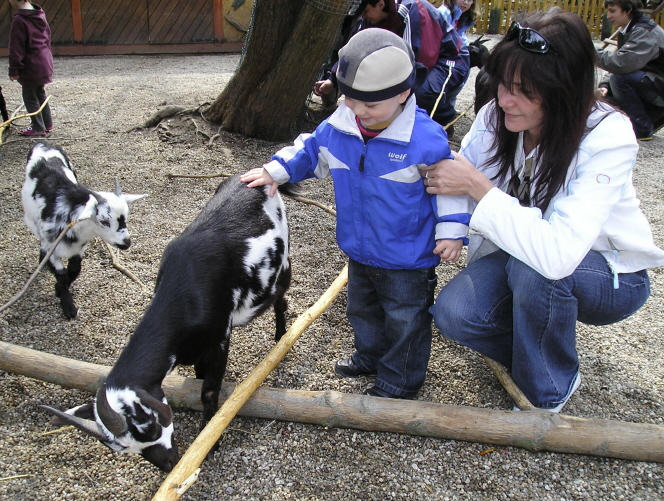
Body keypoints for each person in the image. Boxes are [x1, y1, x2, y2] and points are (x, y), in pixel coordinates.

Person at [420, 9, 664, 412]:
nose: (503, 99)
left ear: (563, 88)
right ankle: (538, 343)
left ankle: (549, 387)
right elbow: (455, 185)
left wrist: (479, 188)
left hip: (606, 273)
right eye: (502, 84)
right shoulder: (495, 117)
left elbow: (557, 254)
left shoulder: (608, 134)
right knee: (455, 314)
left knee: (535, 268)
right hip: (523, 257)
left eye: (523, 90)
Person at [242, 28, 469, 399]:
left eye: (370, 106)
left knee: (405, 319)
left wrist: (451, 230)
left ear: (403, 94)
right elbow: (310, 151)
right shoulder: (339, 128)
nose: (359, 112)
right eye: (350, 101)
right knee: (362, 310)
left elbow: (450, 186)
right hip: (360, 248)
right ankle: (370, 355)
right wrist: (274, 171)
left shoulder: (424, 140)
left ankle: (399, 381)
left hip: (408, 257)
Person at [314, 0, 468, 130]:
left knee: (419, 93)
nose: (363, 16)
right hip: (418, 58)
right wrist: (332, 79)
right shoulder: (370, 19)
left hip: (449, 59)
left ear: (380, 4)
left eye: (366, 11)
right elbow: (354, 51)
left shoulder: (410, 11)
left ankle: (443, 119)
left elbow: (417, 62)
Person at [596, 0, 664, 140]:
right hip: (653, 83)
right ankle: (650, 119)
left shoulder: (645, 32)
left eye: (613, 11)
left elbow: (621, 64)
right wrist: (604, 85)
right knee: (607, 95)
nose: (608, 16)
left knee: (619, 81)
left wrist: (588, 51)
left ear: (627, 11)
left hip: (659, 87)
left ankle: (642, 128)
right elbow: (621, 63)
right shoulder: (630, 29)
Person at [7, 0, 54, 137]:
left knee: (29, 96)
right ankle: (47, 123)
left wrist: (14, 70)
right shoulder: (39, 14)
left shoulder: (19, 20)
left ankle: (38, 128)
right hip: (44, 62)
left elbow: (16, 48)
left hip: (31, 66)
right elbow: (47, 37)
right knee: (39, 92)